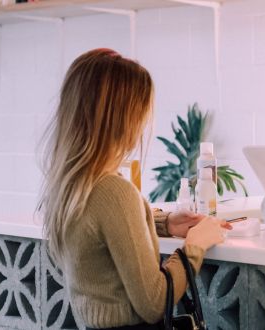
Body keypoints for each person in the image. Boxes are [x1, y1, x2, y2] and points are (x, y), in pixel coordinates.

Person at [39, 48, 229, 330]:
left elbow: (104, 233)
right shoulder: (114, 192)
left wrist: (162, 223)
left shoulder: (68, 186)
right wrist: (195, 245)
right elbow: (154, 303)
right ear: (124, 118)